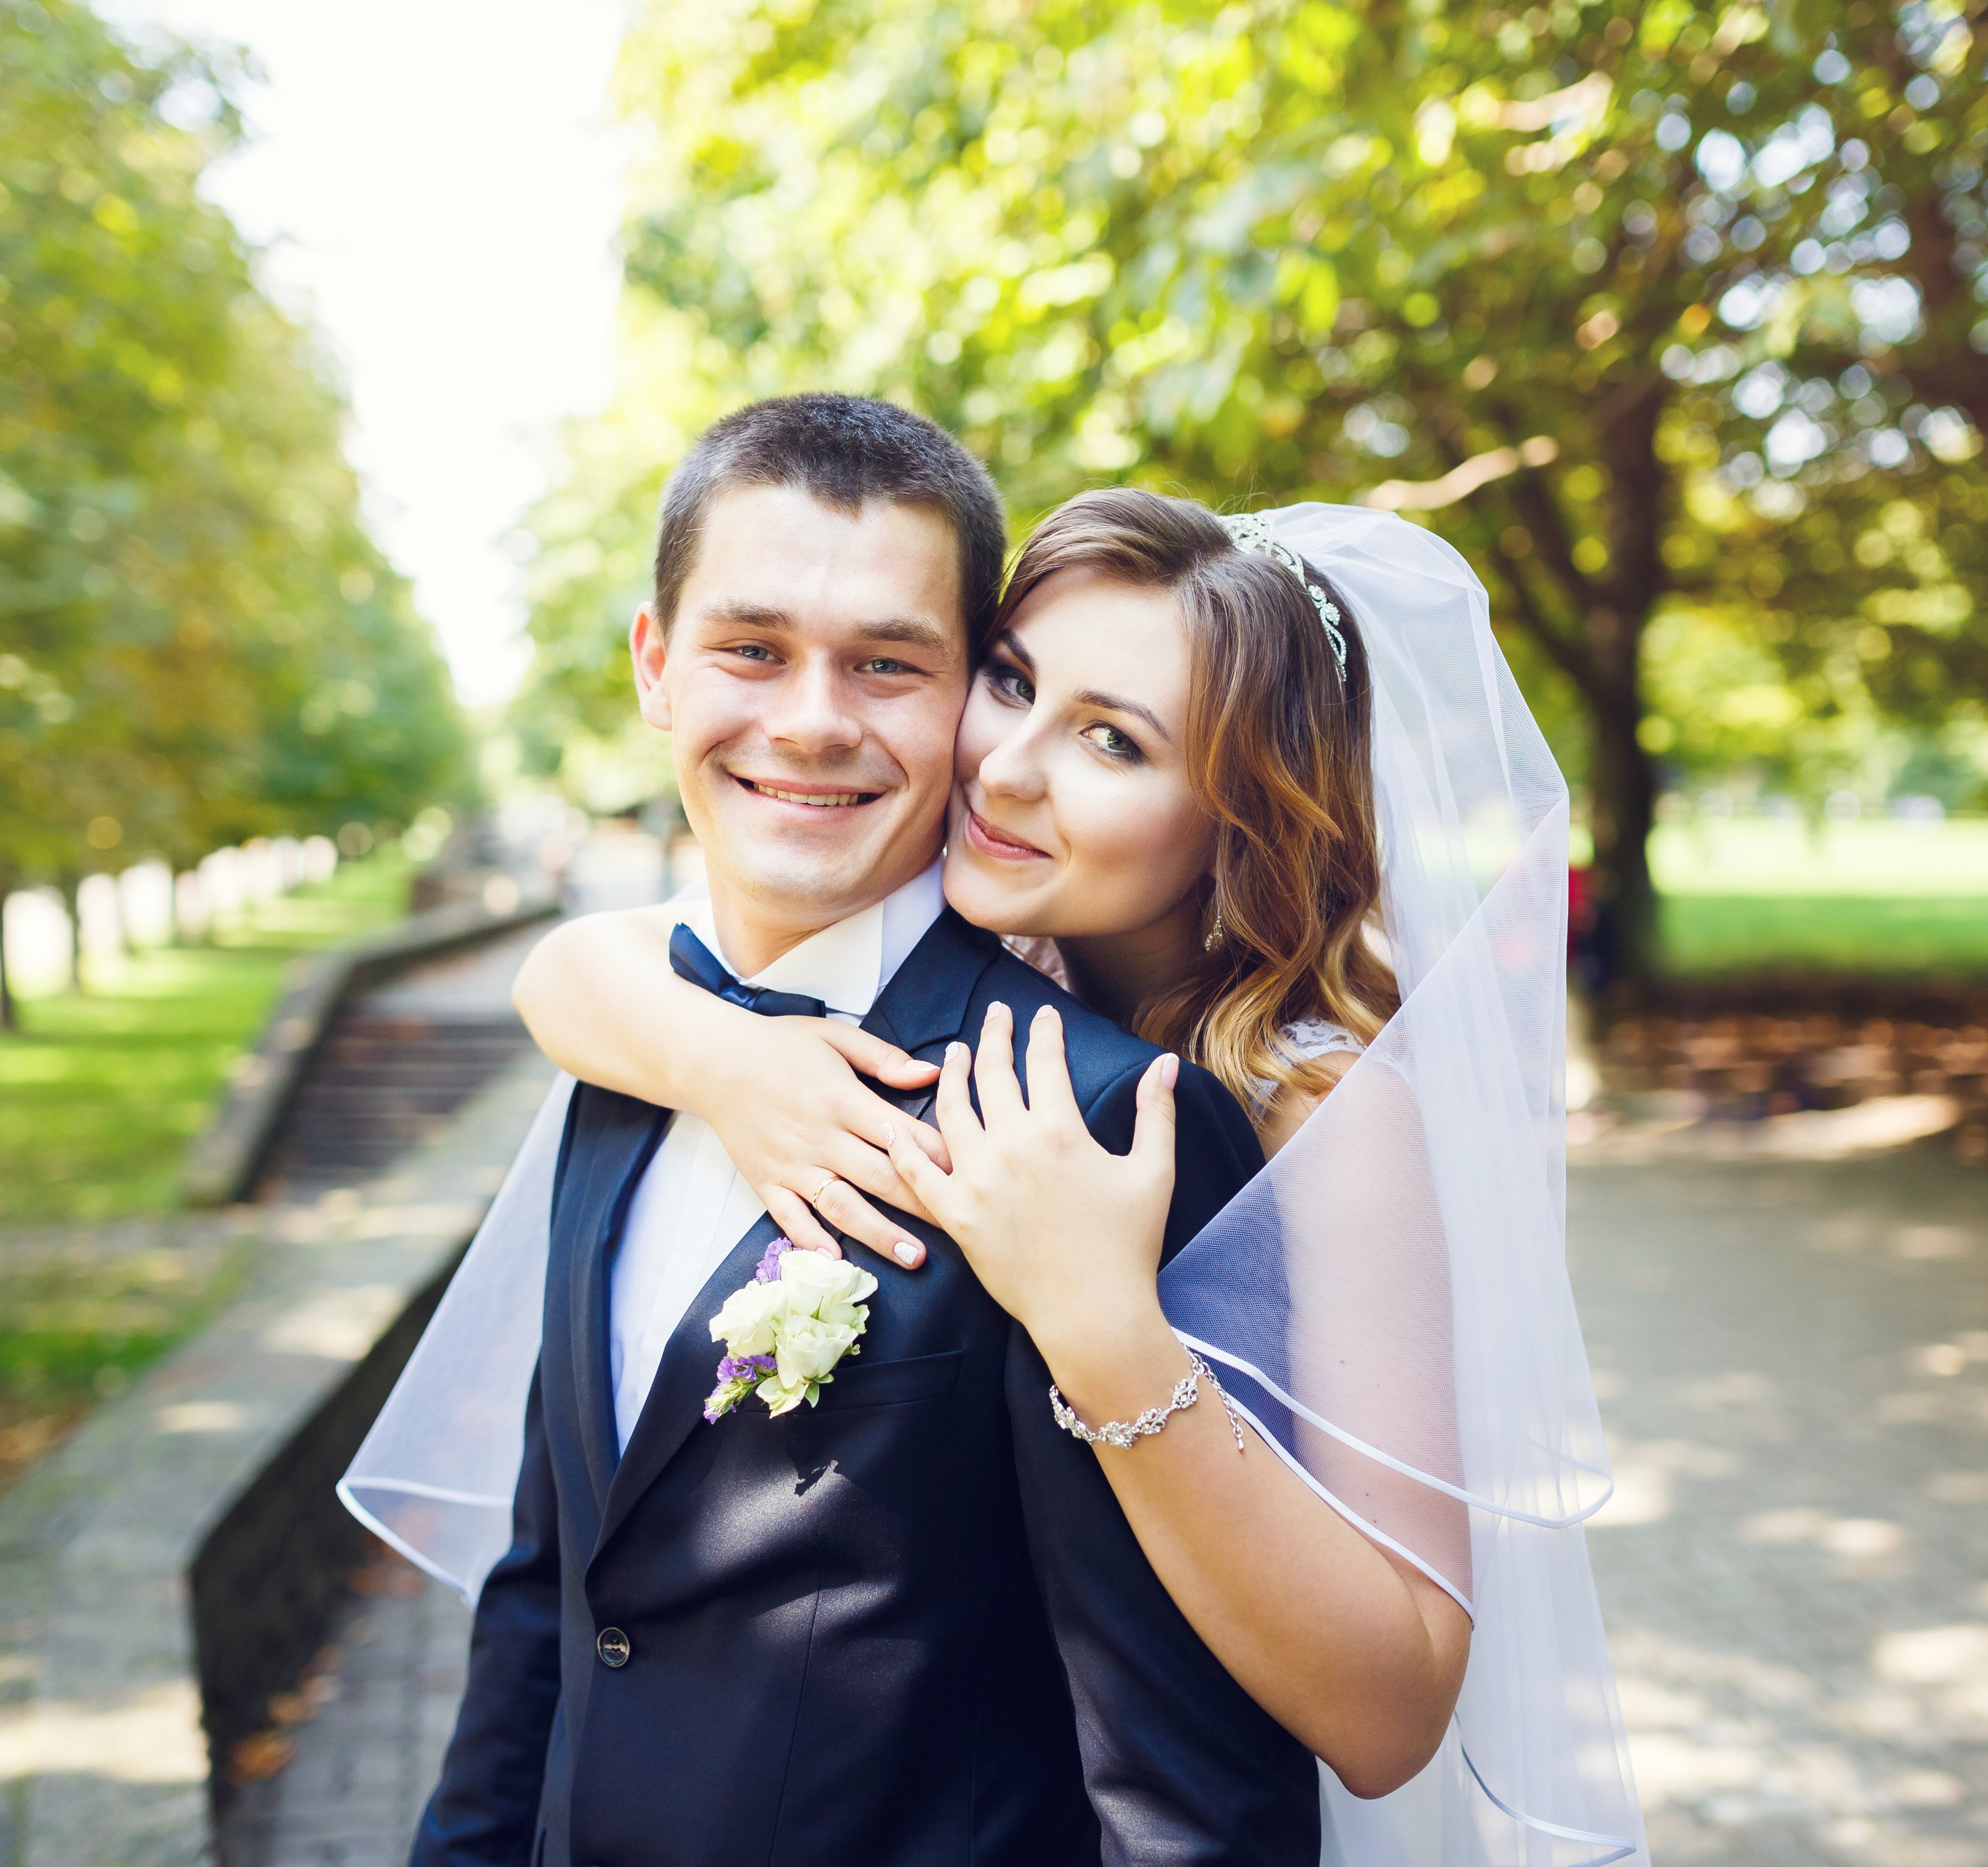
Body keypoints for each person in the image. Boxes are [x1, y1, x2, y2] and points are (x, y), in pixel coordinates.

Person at [348, 415, 1645, 1866]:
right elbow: (558, 1577)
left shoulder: (1256, 1104)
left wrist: (1102, 1326)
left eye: (1114, 738)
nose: (1004, 770)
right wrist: (710, 1051)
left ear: (1232, 812)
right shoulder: (707, 1017)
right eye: (1014, 685)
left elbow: (1305, 1731)